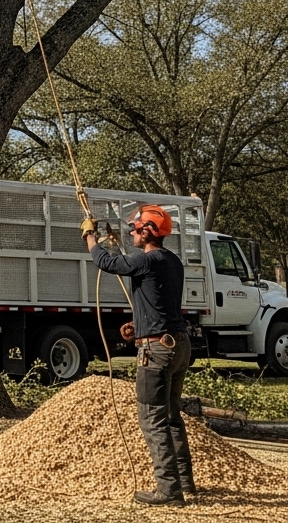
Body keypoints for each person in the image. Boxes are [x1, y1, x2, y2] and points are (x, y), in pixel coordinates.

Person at [82, 205, 195, 506]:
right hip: (177, 344)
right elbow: (158, 299)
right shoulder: (171, 261)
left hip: (157, 351)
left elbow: (106, 262)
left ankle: (169, 492)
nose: (131, 232)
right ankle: (184, 482)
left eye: (134, 228)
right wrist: (140, 323)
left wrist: (90, 236)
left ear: (147, 231)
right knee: (171, 417)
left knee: (152, 420)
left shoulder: (147, 260)